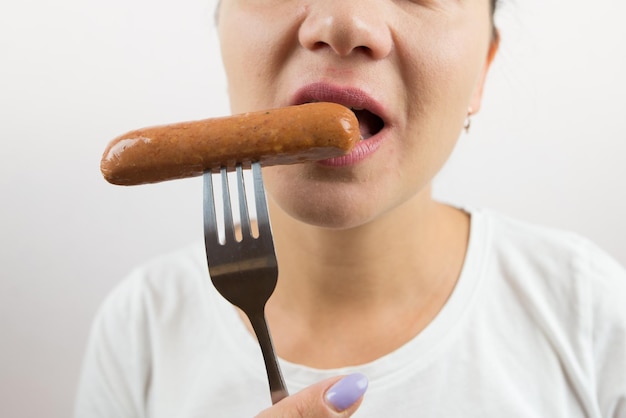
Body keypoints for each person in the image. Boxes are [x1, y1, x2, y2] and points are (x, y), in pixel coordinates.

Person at [75, 0, 626, 416]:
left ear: (482, 68)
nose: (343, 23)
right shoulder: (140, 329)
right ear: (222, 34)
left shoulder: (591, 316)